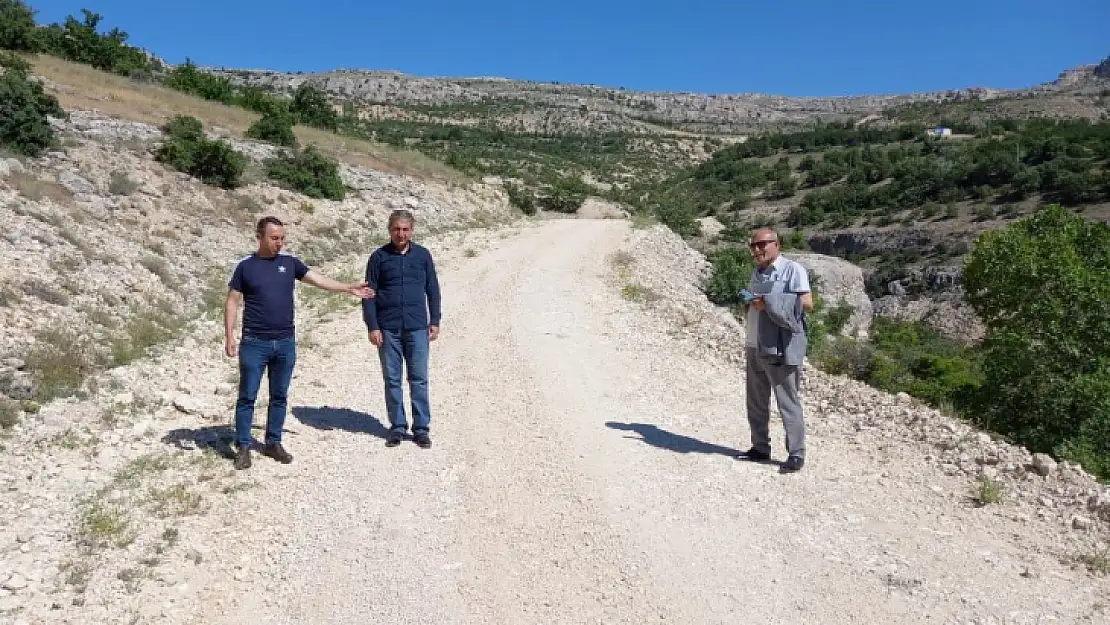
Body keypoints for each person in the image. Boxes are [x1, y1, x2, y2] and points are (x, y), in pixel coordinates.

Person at [225, 216, 373, 470]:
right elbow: (232, 301)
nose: (279, 243)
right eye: (274, 238)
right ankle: (244, 446)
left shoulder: (289, 263)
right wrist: (229, 335)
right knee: (247, 396)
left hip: (285, 342)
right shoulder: (245, 267)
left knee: (279, 395)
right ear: (259, 236)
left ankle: (273, 441)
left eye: (282, 238)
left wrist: (347, 288)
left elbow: (318, 280)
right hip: (254, 342)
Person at [735, 228, 813, 473]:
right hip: (755, 344)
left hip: (781, 346)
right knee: (756, 400)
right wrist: (750, 303)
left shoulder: (792, 270)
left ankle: (796, 454)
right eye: (753, 246)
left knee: (787, 401)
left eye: (762, 245)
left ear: (776, 244)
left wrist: (767, 302)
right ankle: (760, 447)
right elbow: (754, 303)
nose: (757, 250)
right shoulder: (757, 272)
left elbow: (807, 303)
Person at [362, 209, 442, 449]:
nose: (401, 234)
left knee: (418, 379)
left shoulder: (423, 256)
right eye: (396, 229)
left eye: (405, 229)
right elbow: (368, 295)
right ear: (389, 230)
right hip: (388, 329)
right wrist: (373, 326)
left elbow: (433, 290)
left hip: (417, 326)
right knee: (392, 380)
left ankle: (421, 429)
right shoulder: (378, 257)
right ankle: (397, 427)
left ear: (412, 231)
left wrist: (435, 320)